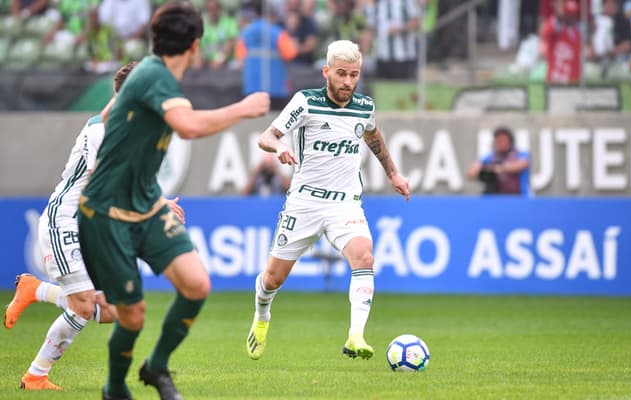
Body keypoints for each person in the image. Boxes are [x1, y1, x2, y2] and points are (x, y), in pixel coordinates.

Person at [76, 2, 269, 400]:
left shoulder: (148, 74)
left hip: (145, 204)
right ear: (196, 45)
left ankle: (156, 366)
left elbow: (110, 115)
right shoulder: (155, 77)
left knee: (197, 284)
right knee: (132, 315)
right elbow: (188, 127)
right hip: (106, 213)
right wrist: (244, 109)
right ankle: (114, 389)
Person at [245, 39, 410, 361]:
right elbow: (267, 136)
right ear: (326, 72)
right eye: (342, 74)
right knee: (272, 279)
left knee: (364, 256)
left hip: (345, 203)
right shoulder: (305, 102)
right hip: (304, 202)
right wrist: (279, 148)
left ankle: (356, 336)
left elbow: (373, 136)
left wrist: (393, 173)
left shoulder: (364, 106)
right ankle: (262, 314)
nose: (348, 82)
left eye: (354, 75)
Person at [2, 62, 152, 391]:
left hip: (89, 225)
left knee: (113, 311)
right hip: (65, 219)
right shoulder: (100, 129)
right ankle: (35, 375)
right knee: (83, 305)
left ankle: (35, 290)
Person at [235, 0, 298, 110]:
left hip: (252, 86)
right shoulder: (278, 33)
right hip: (275, 87)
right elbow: (290, 53)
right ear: (271, 15)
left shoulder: (246, 32)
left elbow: (240, 56)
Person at [466, 126, 530, 196]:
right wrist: (482, 168)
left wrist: (500, 168)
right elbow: (471, 173)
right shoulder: (491, 156)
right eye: (498, 139)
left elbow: (522, 164)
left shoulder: (521, 154)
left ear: (510, 140)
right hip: (497, 199)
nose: (501, 142)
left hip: (519, 198)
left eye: (503, 139)